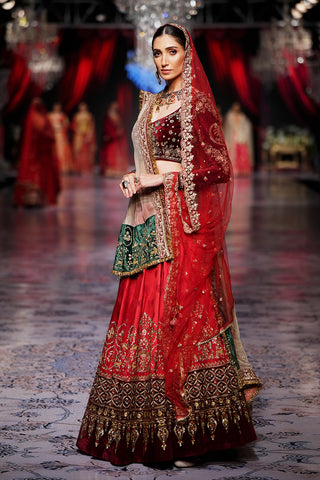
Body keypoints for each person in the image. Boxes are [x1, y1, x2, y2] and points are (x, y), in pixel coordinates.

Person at [77, 24, 261, 467]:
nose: (163, 60)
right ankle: (141, 425)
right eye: (157, 52)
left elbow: (217, 168)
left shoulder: (195, 103)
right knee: (142, 310)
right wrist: (132, 175)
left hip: (182, 222)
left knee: (182, 315)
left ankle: (192, 432)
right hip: (146, 219)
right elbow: (147, 159)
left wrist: (160, 178)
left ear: (186, 54)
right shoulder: (153, 102)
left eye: (171, 51)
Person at [14, 98, 60, 207]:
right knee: (37, 175)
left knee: (35, 174)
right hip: (39, 153)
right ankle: (34, 199)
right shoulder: (40, 119)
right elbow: (47, 135)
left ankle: (33, 199)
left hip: (37, 153)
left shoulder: (34, 118)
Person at [99, 100, 131, 177]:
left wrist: (120, 131)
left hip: (118, 137)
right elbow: (107, 127)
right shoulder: (108, 116)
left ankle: (118, 170)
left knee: (118, 152)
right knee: (111, 153)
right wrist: (113, 134)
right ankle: (111, 170)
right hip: (112, 137)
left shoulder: (117, 115)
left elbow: (121, 126)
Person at [223, 102, 254, 176]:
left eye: (237, 106)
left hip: (241, 135)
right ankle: (234, 169)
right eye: (235, 106)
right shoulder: (229, 116)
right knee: (234, 152)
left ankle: (243, 170)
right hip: (232, 136)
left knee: (242, 151)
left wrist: (243, 132)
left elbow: (247, 125)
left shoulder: (242, 116)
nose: (236, 108)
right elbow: (227, 127)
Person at [48, 102, 74, 174]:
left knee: (61, 151)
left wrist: (61, 128)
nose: (57, 108)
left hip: (60, 135)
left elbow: (66, 125)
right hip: (53, 134)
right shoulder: (50, 115)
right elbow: (47, 125)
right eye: (56, 107)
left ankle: (62, 167)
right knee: (53, 150)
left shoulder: (63, 116)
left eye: (58, 107)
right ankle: (53, 166)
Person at [71, 102, 96, 173]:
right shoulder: (77, 116)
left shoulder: (89, 115)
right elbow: (73, 125)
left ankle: (86, 168)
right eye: (81, 106)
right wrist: (77, 130)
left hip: (86, 134)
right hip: (79, 135)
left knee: (86, 152)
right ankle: (78, 168)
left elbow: (91, 126)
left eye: (84, 106)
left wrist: (89, 134)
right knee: (79, 151)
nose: (83, 108)